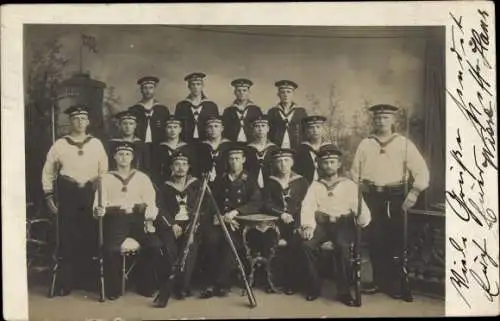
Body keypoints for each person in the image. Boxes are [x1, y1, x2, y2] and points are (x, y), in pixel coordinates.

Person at [350, 104, 429, 301]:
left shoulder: (403, 143)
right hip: (371, 197)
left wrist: (414, 192)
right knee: (375, 239)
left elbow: (421, 170)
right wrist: (359, 187)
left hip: (396, 197)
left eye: (385, 117)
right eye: (377, 118)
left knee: (396, 239)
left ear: (393, 121)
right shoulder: (365, 144)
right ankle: (377, 281)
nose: (381, 121)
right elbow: (354, 172)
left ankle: (395, 284)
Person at [41, 104, 108, 295]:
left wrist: (102, 195)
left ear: (88, 122)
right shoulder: (60, 144)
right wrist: (48, 196)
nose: (80, 122)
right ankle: (66, 283)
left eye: (83, 119)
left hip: (90, 192)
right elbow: (48, 172)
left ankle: (87, 281)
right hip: (68, 192)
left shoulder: (96, 144)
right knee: (67, 236)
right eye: (76, 119)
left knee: (89, 235)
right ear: (70, 121)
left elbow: (104, 172)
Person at [93, 141, 167, 301]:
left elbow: (151, 202)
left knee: (155, 246)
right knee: (110, 249)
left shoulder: (142, 178)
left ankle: (146, 285)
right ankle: (113, 288)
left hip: (138, 219)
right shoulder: (105, 178)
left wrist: (149, 219)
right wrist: (99, 210)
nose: (124, 157)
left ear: (133, 157)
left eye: (127, 154)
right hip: (116, 219)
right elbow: (98, 204)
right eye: (120, 154)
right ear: (114, 157)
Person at [300, 144, 371, 306]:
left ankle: (344, 291)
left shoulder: (348, 185)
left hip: (343, 224)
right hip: (322, 224)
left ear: (339, 164)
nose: (329, 166)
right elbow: (308, 206)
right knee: (307, 245)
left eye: (332, 162)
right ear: (319, 164)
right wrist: (308, 226)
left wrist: (363, 218)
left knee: (342, 246)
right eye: (325, 162)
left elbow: (360, 208)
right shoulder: (316, 186)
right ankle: (314, 286)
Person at [200, 144, 262, 299]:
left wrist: (236, 212)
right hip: (220, 222)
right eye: (231, 158)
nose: (234, 162)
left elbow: (256, 202)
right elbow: (211, 203)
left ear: (243, 160)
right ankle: (210, 281)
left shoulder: (250, 180)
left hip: (240, 224)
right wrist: (219, 217)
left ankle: (220, 284)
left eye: (237, 158)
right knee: (210, 240)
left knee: (230, 243)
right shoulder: (221, 179)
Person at [155, 151, 207, 302]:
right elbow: (160, 208)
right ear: (171, 167)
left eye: (184, 164)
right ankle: (171, 284)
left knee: (189, 248)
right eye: (177, 164)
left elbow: (203, 208)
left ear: (189, 167)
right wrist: (171, 224)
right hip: (171, 224)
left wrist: (192, 225)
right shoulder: (164, 187)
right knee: (169, 247)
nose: (181, 168)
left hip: (192, 223)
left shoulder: (197, 185)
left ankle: (183, 287)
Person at [261, 148, 309, 294]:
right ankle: (274, 281)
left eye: (286, 160)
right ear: (275, 163)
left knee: (295, 243)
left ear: (292, 162)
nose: (283, 164)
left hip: (297, 221)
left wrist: (298, 222)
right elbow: (266, 203)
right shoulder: (270, 181)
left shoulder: (301, 181)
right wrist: (281, 214)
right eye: (279, 161)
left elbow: (307, 204)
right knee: (271, 241)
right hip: (276, 221)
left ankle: (292, 283)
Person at [128, 76, 171, 176]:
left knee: (158, 173)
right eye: (145, 88)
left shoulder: (162, 110)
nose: (148, 91)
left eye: (151, 87)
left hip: (158, 147)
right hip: (140, 147)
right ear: (141, 90)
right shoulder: (134, 110)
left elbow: (168, 131)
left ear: (154, 89)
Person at [174, 72, 219, 143]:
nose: (195, 87)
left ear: (202, 86)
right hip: (187, 142)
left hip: (206, 142)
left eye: (198, 84)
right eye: (193, 84)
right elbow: (177, 126)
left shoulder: (211, 105)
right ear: (189, 86)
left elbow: (217, 128)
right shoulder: (181, 106)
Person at [267, 80, 307, 150]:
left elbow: (306, 132)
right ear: (278, 94)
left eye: (289, 92)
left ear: (293, 94)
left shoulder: (301, 112)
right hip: (277, 150)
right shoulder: (272, 112)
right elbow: (268, 132)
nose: (286, 95)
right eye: (283, 92)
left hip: (296, 149)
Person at [157, 116, 196, 184]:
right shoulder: (159, 148)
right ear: (165, 129)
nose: (172, 130)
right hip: (163, 182)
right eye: (169, 127)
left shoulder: (188, 148)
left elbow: (192, 169)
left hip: (183, 183)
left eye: (175, 127)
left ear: (180, 129)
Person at [222, 78, 263, 143]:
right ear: (235, 92)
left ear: (249, 92)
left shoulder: (256, 110)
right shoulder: (228, 111)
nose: (241, 93)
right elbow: (224, 130)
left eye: (244, 90)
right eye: (239, 90)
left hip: (251, 143)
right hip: (233, 144)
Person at [293, 115, 332, 185]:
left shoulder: (330, 149)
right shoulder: (300, 151)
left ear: (323, 129)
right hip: (307, 189)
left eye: (318, 127)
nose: (315, 130)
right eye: (311, 127)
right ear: (307, 130)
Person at [245, 115, 279, 190]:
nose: (260, 129)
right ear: (253, 129)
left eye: (263, 126)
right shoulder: (247, 149)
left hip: (271, 186)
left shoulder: (274, 149)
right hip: (251, 187)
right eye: (257, 126)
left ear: (268, 129)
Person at [196, 116, 233, 181]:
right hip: (205, 181)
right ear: (206, 129)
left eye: (216, 126)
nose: (213, 129)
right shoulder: (200, 146)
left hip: (225, 181)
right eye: (210, 127)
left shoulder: (229, 146)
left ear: (222, 128)